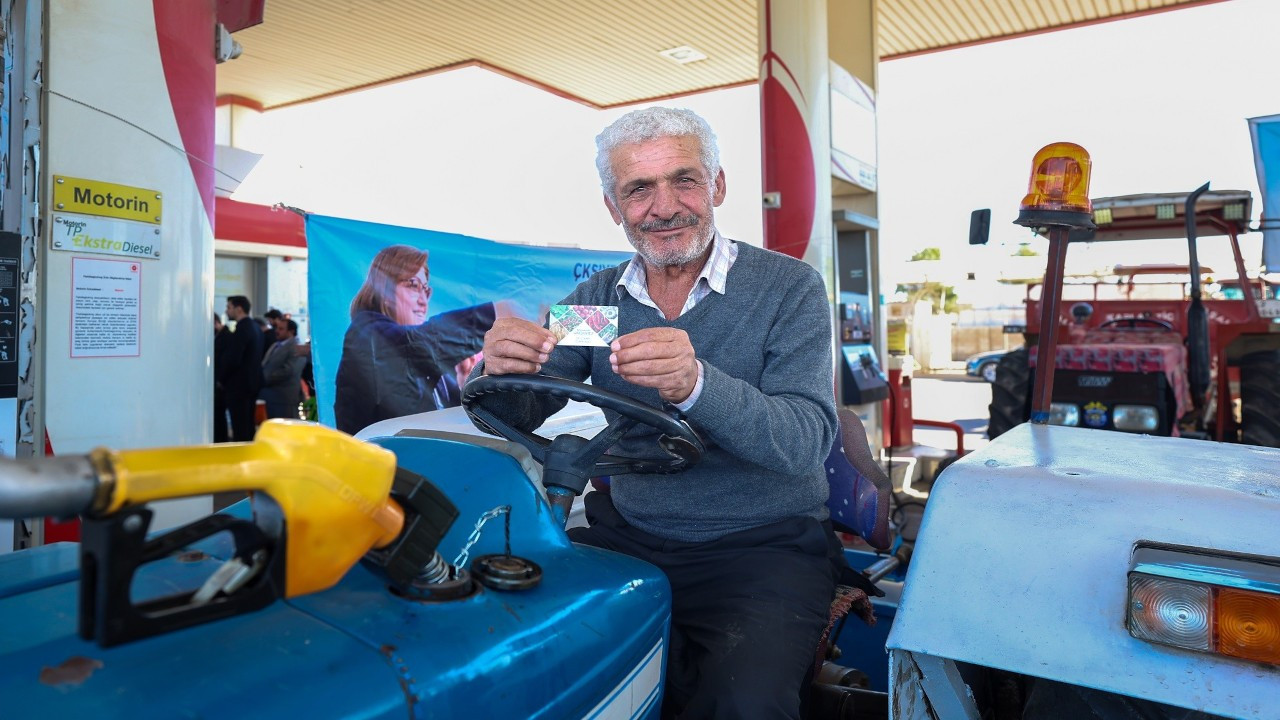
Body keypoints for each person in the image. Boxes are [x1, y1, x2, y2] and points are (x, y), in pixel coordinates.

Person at [469, 107, 840, 719]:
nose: (664, 207)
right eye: (639, 189)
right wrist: (503, 368)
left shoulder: (788, 288)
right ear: (615, 207)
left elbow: (805, 441)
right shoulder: (597, 301)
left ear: (718, 186)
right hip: (630, 534)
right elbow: (530, 398)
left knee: (744, 704)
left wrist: (696, 385)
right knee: (528, 653)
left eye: (685, 180)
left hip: (761, 547)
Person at [333, 244, 508, 435]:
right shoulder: (366, 333)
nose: (423, 299)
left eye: (426, 289)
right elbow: (415, 345)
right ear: (384, 290)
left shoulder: (433, 366)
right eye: (413, 285)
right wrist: (496, 313)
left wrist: (464, 383)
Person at [220, 295, 264, 441]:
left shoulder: (242, 329)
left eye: (229, 307)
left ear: (239, 309)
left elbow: (233, 359)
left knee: (240, 428)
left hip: (239, 387)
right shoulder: (255, 327)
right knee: (247, 425)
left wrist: (221, 378)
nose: (226, 311)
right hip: (252, 384)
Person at [260, 318, 307, 419]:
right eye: (277, 328)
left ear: (291, 331)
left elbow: (289, 370)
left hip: (284, 398)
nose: (277, 331)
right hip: (270, 396)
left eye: (281, 329)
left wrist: (264, 378)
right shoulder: (275, 345)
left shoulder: (296, 347)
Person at [213, 312, 232, 443]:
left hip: (222, 383)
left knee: (219, 416)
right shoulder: (221, 336)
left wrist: (220, 380)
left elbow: (226, 361)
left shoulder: (226, 337)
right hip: (219, 382)